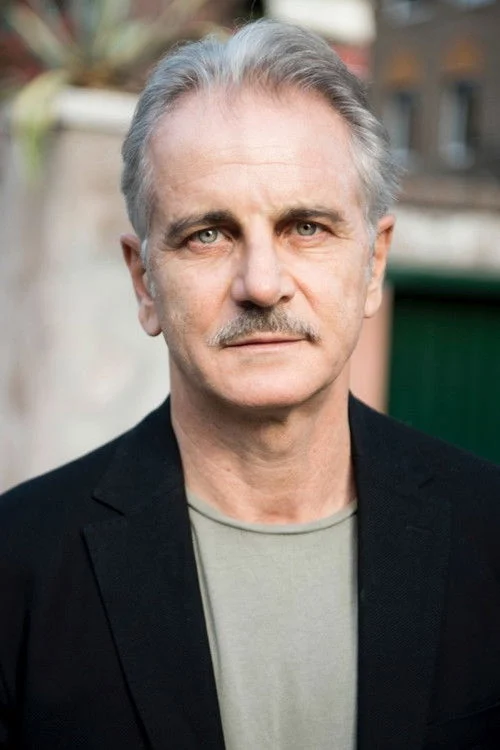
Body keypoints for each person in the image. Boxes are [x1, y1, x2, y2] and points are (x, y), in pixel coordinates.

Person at [1, 19, 499, 750]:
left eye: (306, 227)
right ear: (144, 282)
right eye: (208, 234)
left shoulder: (490, 536)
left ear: (374, 264)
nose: (261, 284)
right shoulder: (17, 567)